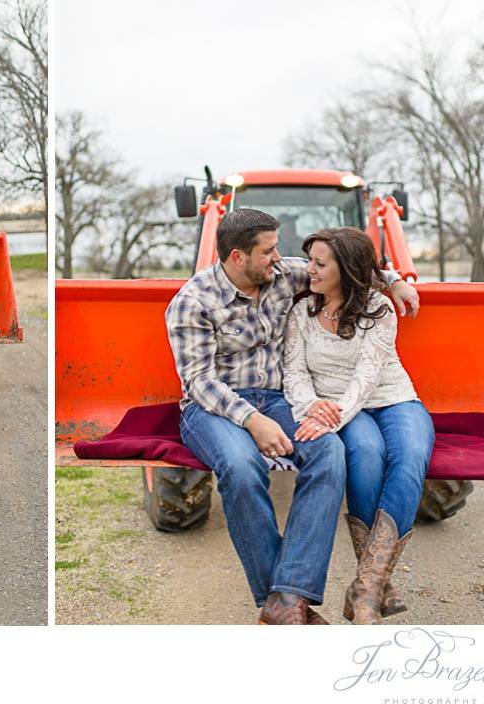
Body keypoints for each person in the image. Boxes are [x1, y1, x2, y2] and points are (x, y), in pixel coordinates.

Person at [165, 208, 421, 625]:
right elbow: (199, 382)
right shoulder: (191, 302)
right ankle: (284, 602)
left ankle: (288, 598)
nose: (279, 258)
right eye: (268, 251)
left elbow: (351, 265)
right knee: (241, 466)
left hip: (278, 399)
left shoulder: (282, 274)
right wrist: (253, 421)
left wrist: (394, 281)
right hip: (213, 408)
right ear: (236, 257)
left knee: (329, 452)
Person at [282, 227, 434, 625]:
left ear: (346, 269)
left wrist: (333, 416)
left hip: (391, 397)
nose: (309, 270)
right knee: (365, 454)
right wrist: (313, 406)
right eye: (310, 261)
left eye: (320, 264)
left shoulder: (379, 309)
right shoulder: (301, 313)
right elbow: (294, 373)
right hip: (335, 404)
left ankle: (365, 586)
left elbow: (367, 376)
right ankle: (372, 589)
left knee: (411, 457)